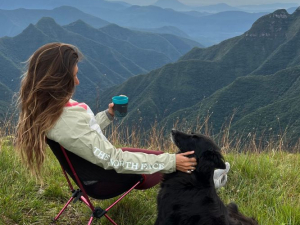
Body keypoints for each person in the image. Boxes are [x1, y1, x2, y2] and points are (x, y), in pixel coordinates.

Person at [15, 43, 229, 196]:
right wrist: (171, 162)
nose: (78, 82)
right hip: (104, 181)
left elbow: (81, 136)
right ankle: (206, 177)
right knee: (171, 163)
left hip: (95, 172)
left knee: (155, 156)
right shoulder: (63, 120)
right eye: (74, 75)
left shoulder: (49, 110)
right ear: (58, 80)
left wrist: (107, 116)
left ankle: (206, 169)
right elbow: (113, 160)